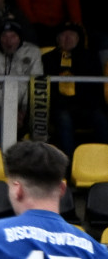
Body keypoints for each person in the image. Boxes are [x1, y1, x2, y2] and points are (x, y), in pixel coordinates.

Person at [41, 21, 108, 159]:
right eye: (63, 35)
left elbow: (96, 88)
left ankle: (104, 159)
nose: (67, 38)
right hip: (59, 107)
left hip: (85, 106)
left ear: (78, 39)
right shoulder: (47, 59)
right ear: (57, 39)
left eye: (72, 35)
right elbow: (44, 88)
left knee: (100, 118)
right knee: (64, 118)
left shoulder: (90, 57)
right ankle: (69, 162)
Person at [0, 18, 42, 139]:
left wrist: (25, 110)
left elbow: (37, 82)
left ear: (20, 38)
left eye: (13, 36)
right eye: (4, 36)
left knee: (39, 116)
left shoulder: (33, 52)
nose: (8, 41)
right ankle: (5, 156)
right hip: (1, 104)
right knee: (3, 117)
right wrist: (10, 109)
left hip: (29, 104)